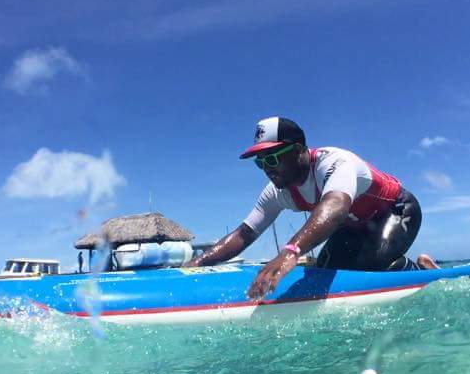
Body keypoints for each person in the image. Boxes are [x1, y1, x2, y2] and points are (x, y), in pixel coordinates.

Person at [184, 117, 438, 299]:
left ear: (298, 151)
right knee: (323, 273)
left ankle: (422, 271)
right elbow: (245, 233)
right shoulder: (277, 191)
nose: (267, 168)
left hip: (395, 210)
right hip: (353, 226)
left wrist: (290, 252)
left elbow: (335, 207)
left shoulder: (336, 162)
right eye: (260, 162)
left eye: (272, 158)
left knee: (371, 266)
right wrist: (197, 262)